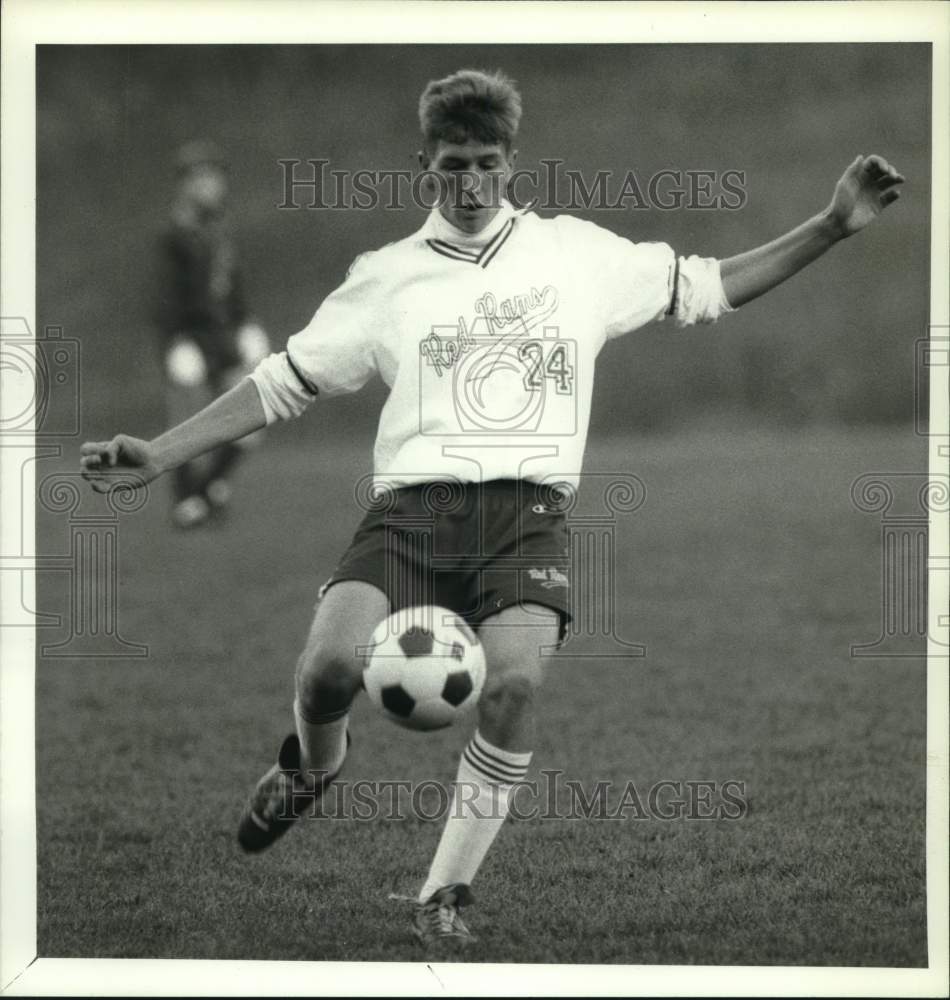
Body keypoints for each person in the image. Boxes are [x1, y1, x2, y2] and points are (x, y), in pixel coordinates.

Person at [82, 69, 903, 948]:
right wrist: (161, 452)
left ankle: (444, 895)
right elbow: (284, 383)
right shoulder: (385, 279)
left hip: (527, 520)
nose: (469, 185)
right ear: (423, 167)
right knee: (326, 670)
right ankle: (316, 769)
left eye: (484, 164)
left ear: (512, 162)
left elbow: (708, 287)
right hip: (409, 516)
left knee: (512, 686)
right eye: (450, 167)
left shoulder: (577, 255)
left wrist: (830, 227)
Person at [154, 139, 270, 528]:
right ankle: (187, 499)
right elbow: (165, 296)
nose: (212, 187)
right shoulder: (173, 235)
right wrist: (175, 342)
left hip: (225, 337)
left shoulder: (221, 232)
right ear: (185, 185)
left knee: (252, 414)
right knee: (189, 422)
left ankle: (210, 488)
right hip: (191, 340)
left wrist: (248, 322)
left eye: (216, 178)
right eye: (202, 179)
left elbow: (233, 288)